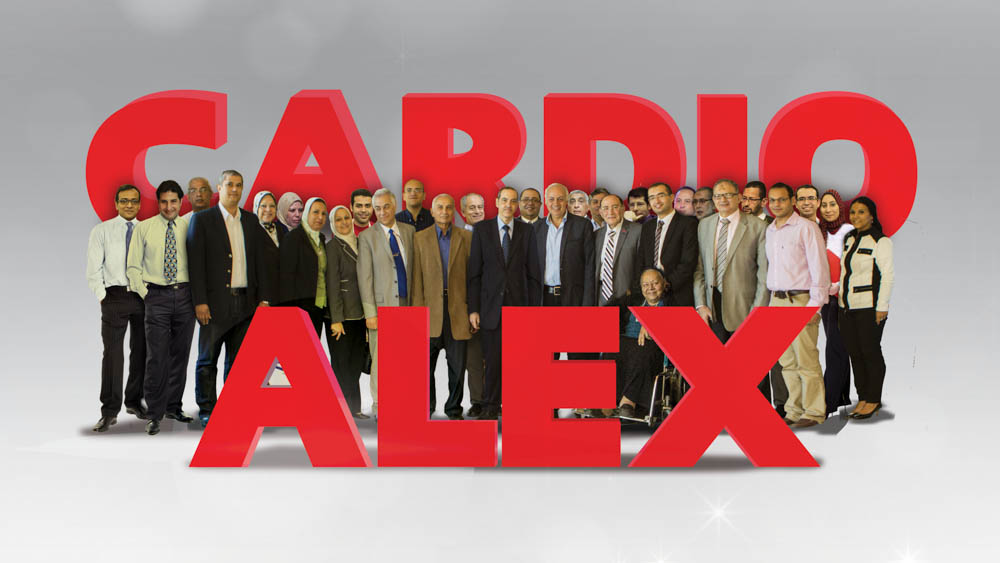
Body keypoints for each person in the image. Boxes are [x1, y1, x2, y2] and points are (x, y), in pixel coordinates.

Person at [187, 170, 273, 427]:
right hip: (213, 305)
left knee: (238, 363)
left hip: (245, 303)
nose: (234, 189)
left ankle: (232, 408)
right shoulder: (202, 220)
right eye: (229, 184)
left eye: (238, 185)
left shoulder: (251, 221)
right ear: (219, 188)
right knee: (207, 360)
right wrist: (200, 301)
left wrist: (264, 298)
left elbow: (260, 263)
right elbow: (195, 264)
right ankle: (207, 409)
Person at [692, 179, 775, 402]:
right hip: (713, 307)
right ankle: (725, 411)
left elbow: (763, 274)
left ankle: (757, 414)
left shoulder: (757, 227)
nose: (723, 200)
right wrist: (700, 304)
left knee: (752, 370)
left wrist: (757, 312)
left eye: (728, 195)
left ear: (738, 197)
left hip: (745, 308)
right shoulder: (704, 225)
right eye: (718, 196)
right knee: (718, 369)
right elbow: (699, 269)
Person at [126, 180, 196, 435]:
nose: (169, 207)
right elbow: (133, 267)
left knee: (180, 354)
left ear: (181, 202)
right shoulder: (144, 228)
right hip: (156, 296)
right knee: (156, 357)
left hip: (185, 296)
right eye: (164, 202)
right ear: (158, 203)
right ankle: (154, 414)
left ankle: (173, 407)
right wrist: (147, 295)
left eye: (173, 202)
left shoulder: (189, 226)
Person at [467, 186, 541, 420]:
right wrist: (474, 309)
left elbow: (534, 274)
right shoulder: (482, 230)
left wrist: (533, 311)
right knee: (493, 360)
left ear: (517, 205)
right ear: (497, 202)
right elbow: (474, 273)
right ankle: (490, 406)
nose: (509, 205)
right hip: (490, 309)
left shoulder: (526, 231)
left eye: (513, 201)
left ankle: (517, 406)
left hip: (519, 307)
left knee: (518, 362)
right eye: (505, 200)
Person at [765, 183, 831, 428]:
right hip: (776, 301)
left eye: (782, 199)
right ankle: (794, 410)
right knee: (786, 362)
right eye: (772, 200)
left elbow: (819, 267)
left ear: (792, 201)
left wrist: (814, 307)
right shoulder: (771, 230)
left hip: (800, 300)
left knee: (806, 360)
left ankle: (814, 411)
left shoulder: (806, 227)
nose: (777, 204)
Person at [87, 184, 147, 432]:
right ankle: (109, 411)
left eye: (133, 201)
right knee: (112, 354)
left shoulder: (146, 229)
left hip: (143, 296)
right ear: (116, 203)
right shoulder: (102, 231)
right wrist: (103, 296)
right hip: (115, 296)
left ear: (139, 204)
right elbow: (93, 268)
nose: (129, 205)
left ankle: (134, 401)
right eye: (124, 201)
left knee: (142, 351)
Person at [412, 194, 473, 420]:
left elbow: (473, 278)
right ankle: (426, 407)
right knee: (425, 367)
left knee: (457, 367)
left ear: (454, 211)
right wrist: (418, 315)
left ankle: (453, 409)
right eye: (440, 207)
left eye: (449, 207)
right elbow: (416, 280)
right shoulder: (419, 238)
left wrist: (471, 311)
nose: (445, 211)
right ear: (432, 211)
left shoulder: (466, 237)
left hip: (458, 311)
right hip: (430, 311)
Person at [359, 188, 415, 417]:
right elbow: (365, 277)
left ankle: (402, 403)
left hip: (408, 306)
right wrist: (370, 313)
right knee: (381, 362)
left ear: (395, 206)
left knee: (405, 359)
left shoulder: (409, 231)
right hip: (381, 309)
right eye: (378, 208)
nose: (382, 212)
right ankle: (380, 407)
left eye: (386, 207)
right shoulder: (367, 237)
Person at [839, 197, 894, 420]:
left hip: (869, 307)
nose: (856, 216)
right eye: (853, 212)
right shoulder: (850, 238)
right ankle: (862, 397)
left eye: (861, 212)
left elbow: (887, 276)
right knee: (855, 353)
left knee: (870, 352)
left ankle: (873, 399)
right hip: (847, 307)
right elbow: (846, 272)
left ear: (872, 216)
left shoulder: (880, 241)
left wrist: (882, 307)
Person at [325, 205, 370, 419]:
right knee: (341, 365)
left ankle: (355, 409)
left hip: (360, 314)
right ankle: (341, 411)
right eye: (338, 219)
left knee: (354, 364)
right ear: (332, 224)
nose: (343, 223)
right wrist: (336, 319)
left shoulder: (360, 242)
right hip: (341, 316)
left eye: (346, 218)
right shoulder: (332, 247)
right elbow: (332, 284)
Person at [615, 269, 670, 418]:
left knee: (642, 349)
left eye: (655, 283)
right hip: (630, 349)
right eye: (645, 285)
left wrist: (653, 322)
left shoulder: (670, 305)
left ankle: (628, 401)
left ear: (664, 284)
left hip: (655, 355)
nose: (650, 288)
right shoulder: (634, 303)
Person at [819, 189, 854, 415]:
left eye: (832, 204)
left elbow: (853, 264)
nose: (828, 209)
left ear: (840, 207)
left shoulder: (849, 231)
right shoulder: (819, 231)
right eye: (824, 205)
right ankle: (841, 396)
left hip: (843, 297)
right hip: (826, 297)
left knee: (835, 348)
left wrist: (839, 285)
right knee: (837, 346)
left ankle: (828, 401)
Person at [637, 182, 698, 306]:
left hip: (677, 293)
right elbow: (641, 259)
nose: (657, 201)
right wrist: (647, 286)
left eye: (661, 195)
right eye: (652, 198)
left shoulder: (688, 224)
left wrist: (665, 285)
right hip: (650, 295)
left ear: (671, 197)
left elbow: (688, 262)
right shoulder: (647, 227)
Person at [279, 197, 330, 335]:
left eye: (323, 213)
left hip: (319, 307)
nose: (320, 217)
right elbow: (286, 278)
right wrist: (290, 312)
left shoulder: (321, 239)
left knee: (314, 347)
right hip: (300, 308)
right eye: (316, 212)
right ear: (306, 213)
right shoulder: (293, 238)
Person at [594, 194, 642, 306]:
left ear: (623, 209)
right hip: (601, 295)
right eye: (606, 208)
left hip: (627, 296)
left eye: (615, 207)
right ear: (601, 212)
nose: (610, 212)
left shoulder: (637, 231)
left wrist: (633, 291)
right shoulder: (596, 235)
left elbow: (642, 265)